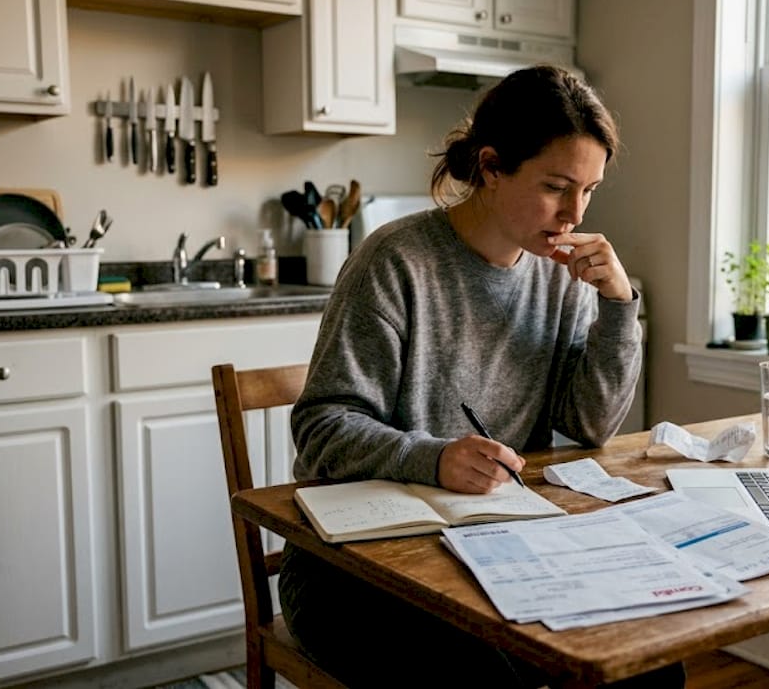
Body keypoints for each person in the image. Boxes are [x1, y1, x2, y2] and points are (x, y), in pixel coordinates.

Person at [280, 65, 682, 688]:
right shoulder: (395, 261)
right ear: (491, 168)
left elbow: (590, 425)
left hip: (492, 547)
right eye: (555, 186)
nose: (573, 213)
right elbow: (321, 428)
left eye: (590, 190)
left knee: (651, 666)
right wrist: (434, 458)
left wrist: (619, 306)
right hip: (354, 568)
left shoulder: (561, 274)